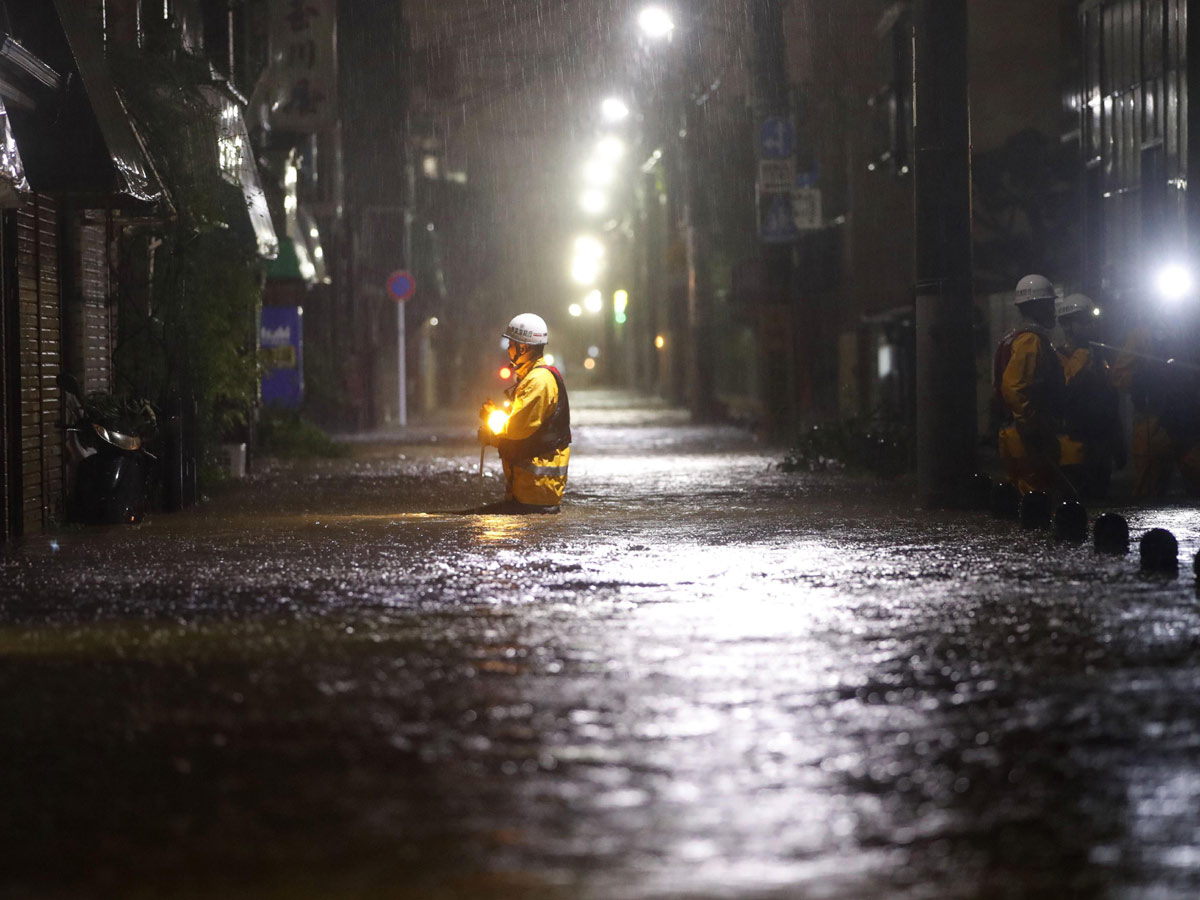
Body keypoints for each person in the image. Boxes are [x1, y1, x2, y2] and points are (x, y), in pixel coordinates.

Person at [477, 313, 572, 513]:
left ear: (524, 347)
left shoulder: (539, 381)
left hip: (536, 492)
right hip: (531, 492)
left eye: (512, 344)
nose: (509, 349)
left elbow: (515, 430)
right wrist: (494, 415)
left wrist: (491, 428)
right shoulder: (534, 378)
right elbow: (523, 426)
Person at [1112, 308, 1200, 498]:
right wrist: (1144, 377)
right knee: (1148, 496)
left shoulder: (1191, 333)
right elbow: (1119, 376)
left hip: (1189, 425)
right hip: (1153, 426)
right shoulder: (1142, 335)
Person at [992, 274, 1066, 494]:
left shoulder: (1012, 339)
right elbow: (1014, 388)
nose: (1053, 310)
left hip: (1014, 432)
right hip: (1027, 437)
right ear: (1036, 307)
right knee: (1037, 500)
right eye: (1049, 304)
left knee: (1022, 502)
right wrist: (1032, 427)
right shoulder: (1030, 341)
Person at [1054, 293, 1124, 499]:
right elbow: (1063, 396)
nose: (1090, 325)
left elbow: (1110, 401)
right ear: (1066, 325)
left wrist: (1118, 444)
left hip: (1100, 451)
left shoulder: (1098, 357)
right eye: (1083, 320)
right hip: (1072, 452)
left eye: (1090, 320)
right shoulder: (1058, 358)